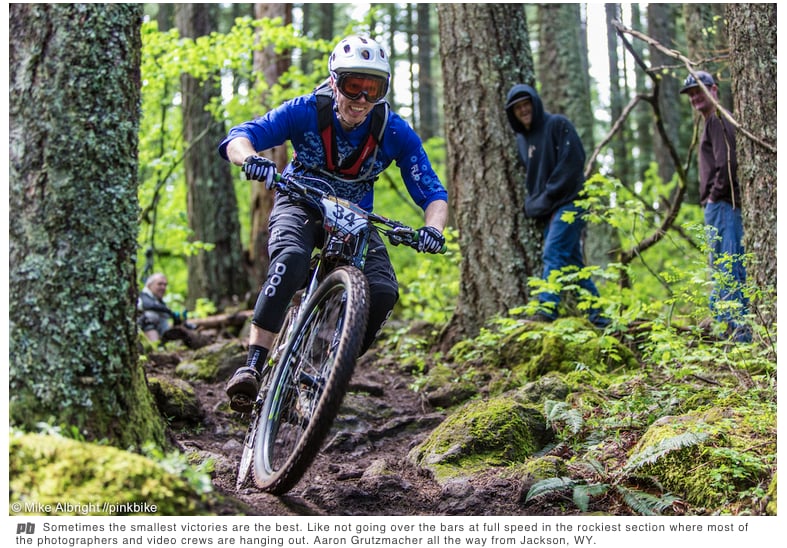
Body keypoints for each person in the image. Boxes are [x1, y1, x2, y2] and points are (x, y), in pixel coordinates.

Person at [218, 35, 449, 412]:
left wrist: (433, 229)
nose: (361, 99)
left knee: (383, 291)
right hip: (300, 199)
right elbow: (240, 137)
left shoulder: (393, 130)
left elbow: (433, 193)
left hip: (356, 217)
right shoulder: (305, 110)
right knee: (291, 259)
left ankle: (327, 368)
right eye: (352, 86)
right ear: (333, 81)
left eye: (373, 89)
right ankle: (253, 365)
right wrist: (251, 160)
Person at [504, 83, 608, 329]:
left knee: (553, 252)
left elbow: (573, 162)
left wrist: (547, 196)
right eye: (518, 107)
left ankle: (547, 309)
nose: (523, 110)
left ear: (535, 103)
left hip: (571, 203)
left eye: (527, 104)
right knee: (572, 265)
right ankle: (599, 318)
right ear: (513, 113)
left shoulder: (558, 125)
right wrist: (536, 204)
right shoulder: (522, 140)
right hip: (550, 210)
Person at [679, 71, 750, 342]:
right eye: (691, 94)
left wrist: (713, 196)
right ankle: (725, 333)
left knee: (729, 268)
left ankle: (740, 337)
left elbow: (727, 163)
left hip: (723, 206)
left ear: (714, 89)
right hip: (719, 206)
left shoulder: (717, 120)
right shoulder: (712, 121)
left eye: (699, 90)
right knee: (721, 269)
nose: (695, 97)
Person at [137, 273, 186, 341]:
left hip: (160, 333)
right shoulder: (141, 296)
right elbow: (147, 305)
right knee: (150, 316)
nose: (163, 287)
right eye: (159, 284)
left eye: (165, 285)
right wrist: (169, 312)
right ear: (149, 285)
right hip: (145, 331)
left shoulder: (159, 301)